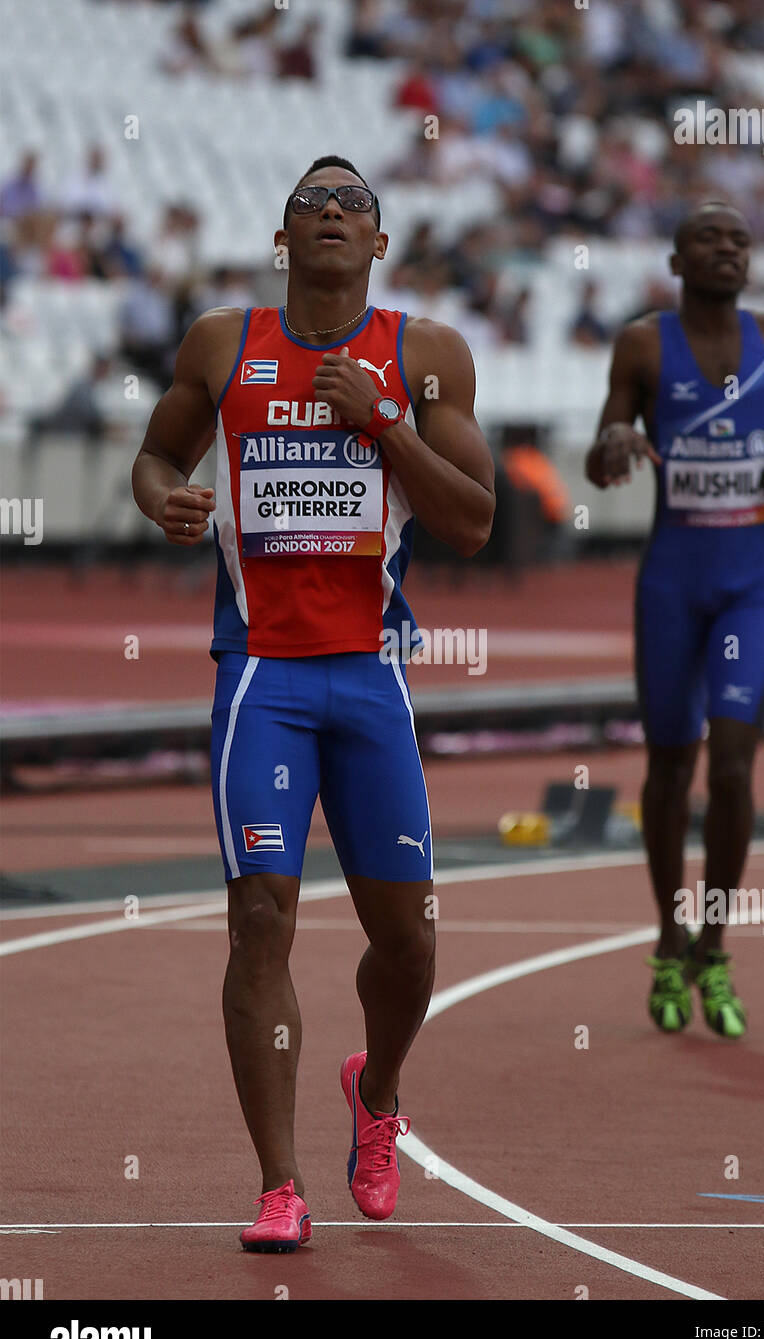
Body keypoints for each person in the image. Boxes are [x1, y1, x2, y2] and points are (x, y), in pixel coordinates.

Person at [132, 157, 495, 1250]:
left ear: (378, 244)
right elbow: (155, 456)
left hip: (369, 674)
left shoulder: (424, 356)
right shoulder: (221, 342)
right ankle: (279, 1186)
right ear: (283, 236)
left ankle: (375, 1090)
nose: (332, 213)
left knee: (411, 946)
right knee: (259, 919)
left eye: (354, 206)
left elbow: (474, 523)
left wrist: (383, 423)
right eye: (311, 203)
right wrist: (169, 503)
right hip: (262, 678)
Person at [584, 202, 764, 1039]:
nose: (729, 250)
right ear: (677, 260)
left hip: (751, 581)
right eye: (709, 240)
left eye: (740, 240)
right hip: (672, 581)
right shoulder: (644, 343)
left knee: (731, 769)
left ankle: (715, 944)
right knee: (668, 768)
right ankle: (666, 935)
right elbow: (602, 443)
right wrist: (616, 443)